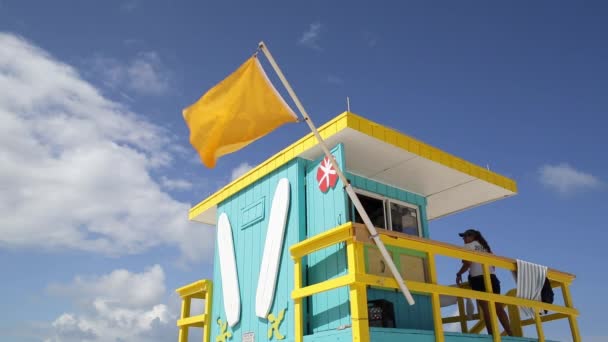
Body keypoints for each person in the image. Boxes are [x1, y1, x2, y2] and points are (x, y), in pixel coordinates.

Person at [455, 229, 513, 336]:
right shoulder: (485, 248)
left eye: (466, 236)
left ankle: (492, 335)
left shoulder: (468, 246)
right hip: (492, 278)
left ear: (474, 237)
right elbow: (493, 266)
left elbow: (468, 263)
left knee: (486, 309)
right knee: (498, 308)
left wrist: (459, 274)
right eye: (463, 236)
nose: (464, 238)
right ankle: (510, 332)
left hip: (478, 279)